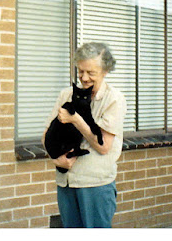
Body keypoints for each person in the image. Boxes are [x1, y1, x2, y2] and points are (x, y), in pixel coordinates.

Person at [42, 42, 127, 228]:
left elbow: (103, 146)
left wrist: (75, 120)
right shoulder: (66, 94)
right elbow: (46, 134)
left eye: (91, 73)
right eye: (80, 71)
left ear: (105, 71)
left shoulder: (113, 99)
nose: (84, 78)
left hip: (95, 185)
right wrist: (56, 160)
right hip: (66, 183)